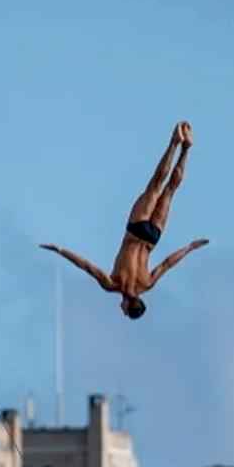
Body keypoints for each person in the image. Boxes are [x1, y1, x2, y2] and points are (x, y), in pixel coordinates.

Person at [40, 121, 209, 320]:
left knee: (167, 190)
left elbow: (167, 264)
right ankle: (174, 143)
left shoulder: (147, 284)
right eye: (125, 311)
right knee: (156, 186)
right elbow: (86, 266)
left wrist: (190, 247)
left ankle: (185, 149)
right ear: (128, 305)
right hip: (136, 229)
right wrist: (60, 250)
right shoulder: (113, 284)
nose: (121, 310)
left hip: (152, 238)